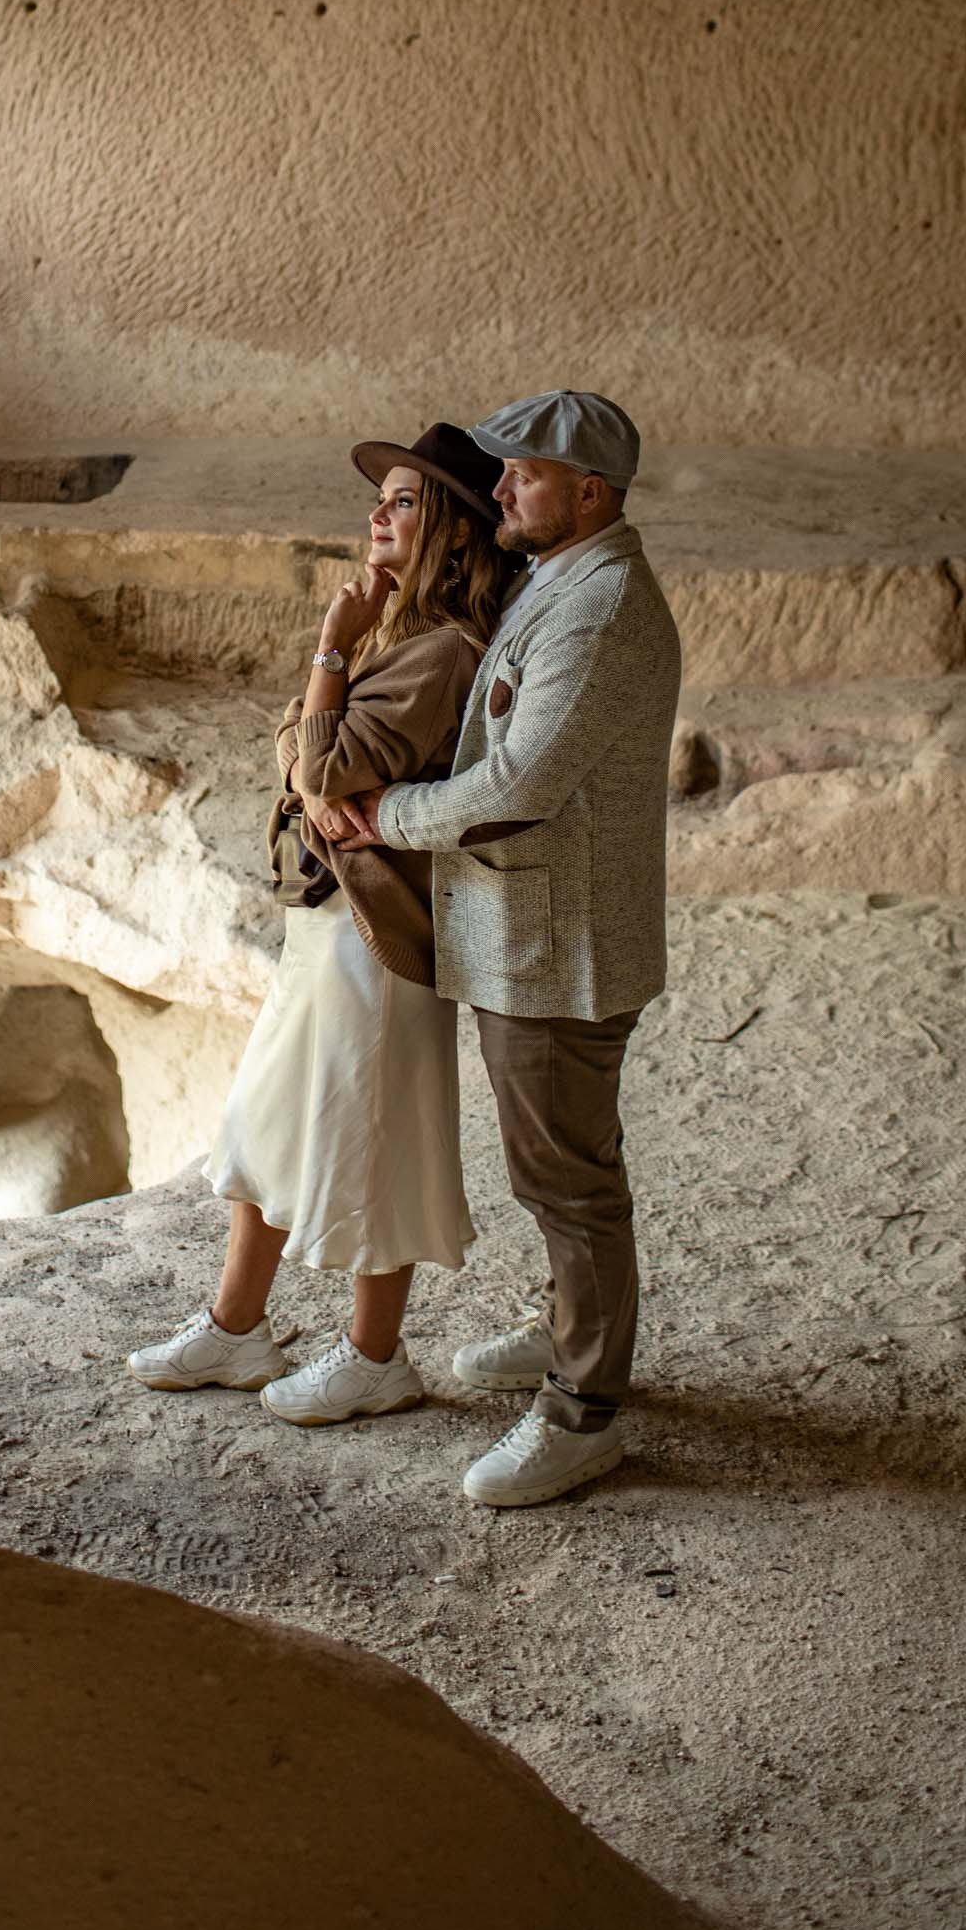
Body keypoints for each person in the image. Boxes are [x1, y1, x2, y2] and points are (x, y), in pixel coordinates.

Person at [333, 390, 682, 1510]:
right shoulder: (560, 578)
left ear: (589, 491)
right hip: (531, 933)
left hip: (557, 945)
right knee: (557, 1171)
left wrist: (384, 816)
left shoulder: (600, 607)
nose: (496, 494)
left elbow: (520, 786)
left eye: (519, 475)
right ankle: (569, 1333)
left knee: (568, 1182)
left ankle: (583, 1411)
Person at [127, 425, 515, 1424]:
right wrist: (317, 750)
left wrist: (330, 657)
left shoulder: (439, 651)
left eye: (401, 502)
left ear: (455, 535)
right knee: (258, 1124)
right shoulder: (401, 637)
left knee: (371, 1140)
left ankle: (373, 1355)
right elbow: (290, 751)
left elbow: (319, 766)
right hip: (326, 919)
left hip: (375, 938)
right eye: (379, 499)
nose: (375, 516)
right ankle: (235, 1328)